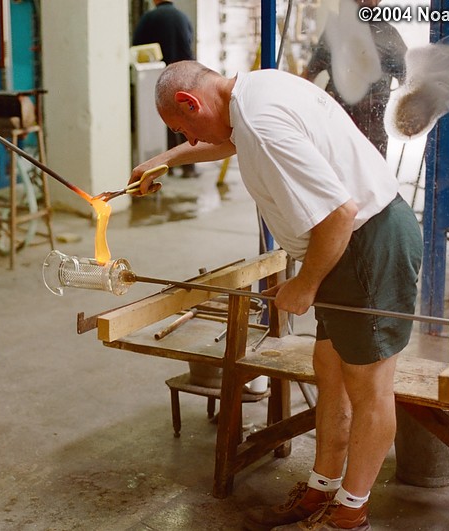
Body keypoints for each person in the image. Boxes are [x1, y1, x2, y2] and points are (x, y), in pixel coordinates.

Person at [130, 61, 422, 530]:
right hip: (348, 245)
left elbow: (340, 214)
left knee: (370, 388)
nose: (188, 139)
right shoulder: (255, 89)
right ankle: (321, 490)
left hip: (366, 242)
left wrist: (304, 284)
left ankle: (350, 515)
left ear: (191, 101)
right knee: (330, 369)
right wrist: (164, 161)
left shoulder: (261, 122)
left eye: (183, 128)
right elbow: (229, 140)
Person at [302, 0, 407, 157]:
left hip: (372, 127)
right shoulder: (335, 31)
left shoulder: (388, 35)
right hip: (337, 122)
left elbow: (408, 79)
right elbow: (308, 75)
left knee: (370, 173)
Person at [132, 0, 198, 178]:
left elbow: (137, 48)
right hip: (186, 76)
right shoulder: (183, 17)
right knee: (187, 121)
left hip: (162, 78)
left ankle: (168, 166)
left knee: (169, 122)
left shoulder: (149, 18)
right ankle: (189, 168)